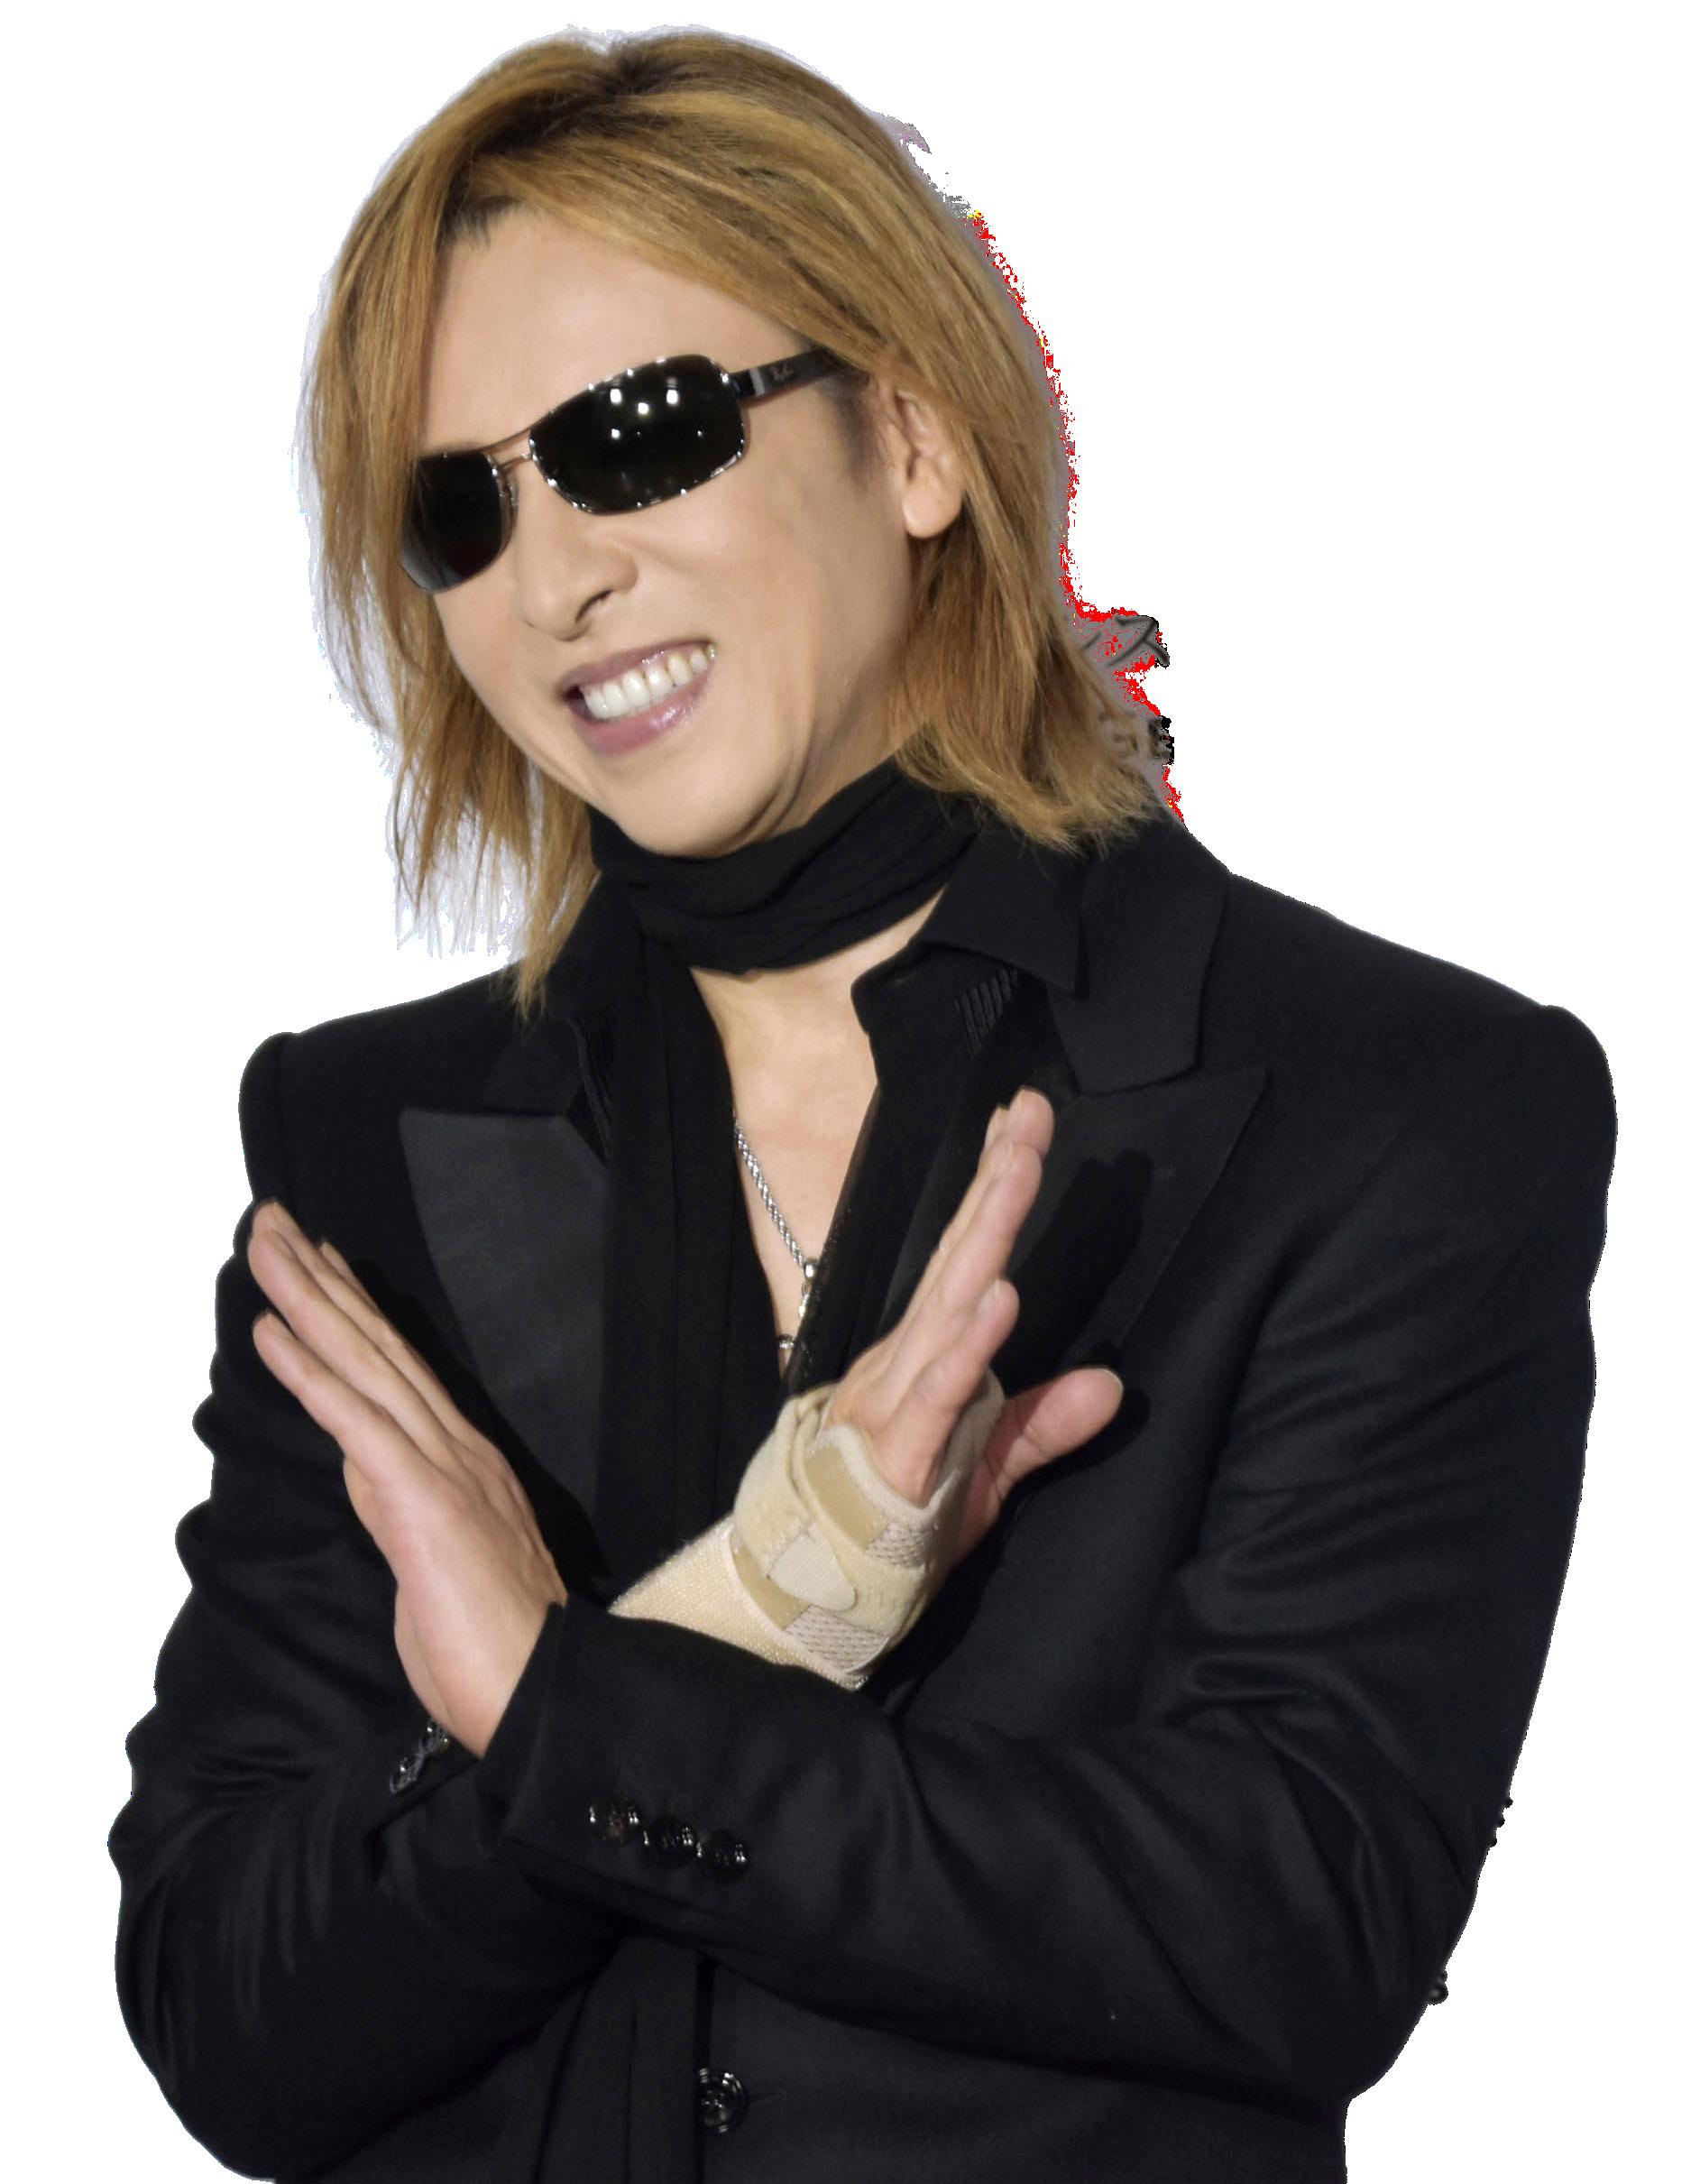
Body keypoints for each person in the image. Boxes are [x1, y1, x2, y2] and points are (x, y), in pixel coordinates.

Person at [106, 27, 1618, 2184]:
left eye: (635, 435)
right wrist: (737, 1624)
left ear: (911, 436)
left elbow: (1293, 1917)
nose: (552, 577)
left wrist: (572, 1708)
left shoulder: (1398, 1103)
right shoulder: (366, 1139)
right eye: (462, 507)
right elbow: (228, 2015)